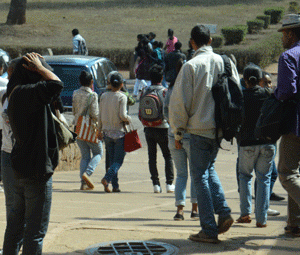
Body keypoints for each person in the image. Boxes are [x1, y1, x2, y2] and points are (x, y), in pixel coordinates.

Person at [169, 25, 237, 244]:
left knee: (199, 177)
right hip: (220, 130)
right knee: (208, 170)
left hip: (198, 130)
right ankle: (224, 212)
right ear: (210, 39)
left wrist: (178, 133)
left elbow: (179, 104)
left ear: (192, 43)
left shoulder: (191, 66)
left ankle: (208, 228)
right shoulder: (225, 62)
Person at [3, 52, 63, 254]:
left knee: (15, 229)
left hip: (20, 169)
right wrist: (39, 67)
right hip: (36, 171)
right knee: (34, 233)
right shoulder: (27, 94)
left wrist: (38, 69)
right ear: (30, 73)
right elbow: (56, 84)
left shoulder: (15, 92)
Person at [236, 64, 275, 228]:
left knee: (245, 177)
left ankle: (245, 214)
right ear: (261, 80)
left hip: (246, 143)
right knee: (264, 179)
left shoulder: (240, 96)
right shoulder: (268, 94)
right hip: (267, 142)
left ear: (245, 80)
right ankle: (262, 219)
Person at [274, 14, 300, 237]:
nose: (282, 38)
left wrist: (275, 93)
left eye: (283, 34)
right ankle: (295, 223)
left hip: (295, 125)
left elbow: (287, 91)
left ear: (291, 34)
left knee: (286, 174)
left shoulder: (288, 56)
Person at [164, 58, 198, 220]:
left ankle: (179, 210)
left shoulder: (170, 89)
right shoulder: (193, 89)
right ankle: (195, 209)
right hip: (191, 136)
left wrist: (174, 126)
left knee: (181, 174)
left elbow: (165, 111)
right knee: (195, 173)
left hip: (173, 135)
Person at [140, 64, 174, 193]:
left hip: (148, 128)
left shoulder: (144, 91)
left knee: (152, 157)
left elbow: (140, 112)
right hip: (163, 128)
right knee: (168, 156)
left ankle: (155, 184)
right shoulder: (165, 92)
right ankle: (169, 184)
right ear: (162, 77)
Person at [99, 72, 131, 193]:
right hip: (119, 133)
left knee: (111, 160)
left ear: (110, 84)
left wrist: (99, 130)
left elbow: (100, 115)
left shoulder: (103, 96)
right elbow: (123, 115)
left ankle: (115, 185)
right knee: (118, 161)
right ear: (122, 84)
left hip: (107, 133)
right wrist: (129, 119)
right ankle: (107, 179)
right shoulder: (122, 97)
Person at [72, 70, 103, 190]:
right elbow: (95, 114)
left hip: (78, 128)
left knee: (85, 156)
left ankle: (83, 182)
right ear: (91, 82)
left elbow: (74, 111)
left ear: (80, 81)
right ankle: (88, 174)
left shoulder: (75, 93)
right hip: (90, 129)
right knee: (98, 152)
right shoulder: (93, 95)